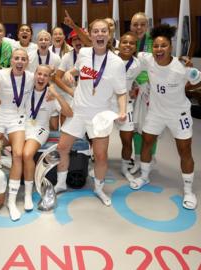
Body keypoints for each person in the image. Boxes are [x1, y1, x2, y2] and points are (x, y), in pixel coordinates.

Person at [130, 24, 201, 210]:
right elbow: (125, 50)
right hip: (156, 112)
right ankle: (145, 176)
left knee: (184, 150)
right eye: (156, 46)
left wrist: (186, 87)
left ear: (170, 47)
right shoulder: (147, 60)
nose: (159, 49)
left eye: (163, 46)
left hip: (178, 114)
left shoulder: (181, 67)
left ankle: (188, 191)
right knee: (147, 142)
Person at [56, 19, 127, 206]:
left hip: (100, 115)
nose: (100, 34)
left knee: (101, 155)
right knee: (62, 148)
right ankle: (61, 184)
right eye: (96, 31)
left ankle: (99, 188)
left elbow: (121, 92)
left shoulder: (117, 63)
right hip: (78, 111)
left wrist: (122, 111)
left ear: (109, 35)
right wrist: (70, 73)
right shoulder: (85, 53)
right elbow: (76, 70)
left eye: (104, 31)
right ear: (91, 35)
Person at [0, 49, 34, 221]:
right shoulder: (1, 74)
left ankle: (11, 201)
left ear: (27, 62)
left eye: (23, 59)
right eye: (16, 58)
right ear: (11, 60)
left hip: (17, 119)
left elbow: (45, 83)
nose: (19, 61)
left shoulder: (32, 77)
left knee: (18, 154)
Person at [21, 65, 73, 211]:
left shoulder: (50, 95)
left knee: (26, 154)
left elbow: (69, 113)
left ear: (49, 78)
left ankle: (27, 194)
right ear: (34, 75)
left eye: (45, 75)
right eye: (39, 74)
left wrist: (56, 94)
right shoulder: (26, 90)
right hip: (21, 126)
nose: (41, 77)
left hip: (39, 129)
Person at [113, 32, 143, 181]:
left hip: (126, 105)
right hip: (106, 104)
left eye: (132, 43)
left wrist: (135, 89)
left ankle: (125, 168)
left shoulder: (138, 64)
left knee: (127, 138)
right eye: (125, 42)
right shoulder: (109, 58)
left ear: (135, 47)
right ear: (119, 44)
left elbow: (140, 81)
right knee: (100, 137)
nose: (128, 45)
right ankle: (98, 164)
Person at [131, 12, 156, 171]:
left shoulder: (155, 42)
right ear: (131, 26)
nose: (138, 27)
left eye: (142, 24)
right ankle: (138, 158)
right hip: (133, 90)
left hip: (150, 90)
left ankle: (151, 157)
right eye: (135, 24)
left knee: (150, 126)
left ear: (147, 26)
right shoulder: (128, 41)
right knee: (134, 126)